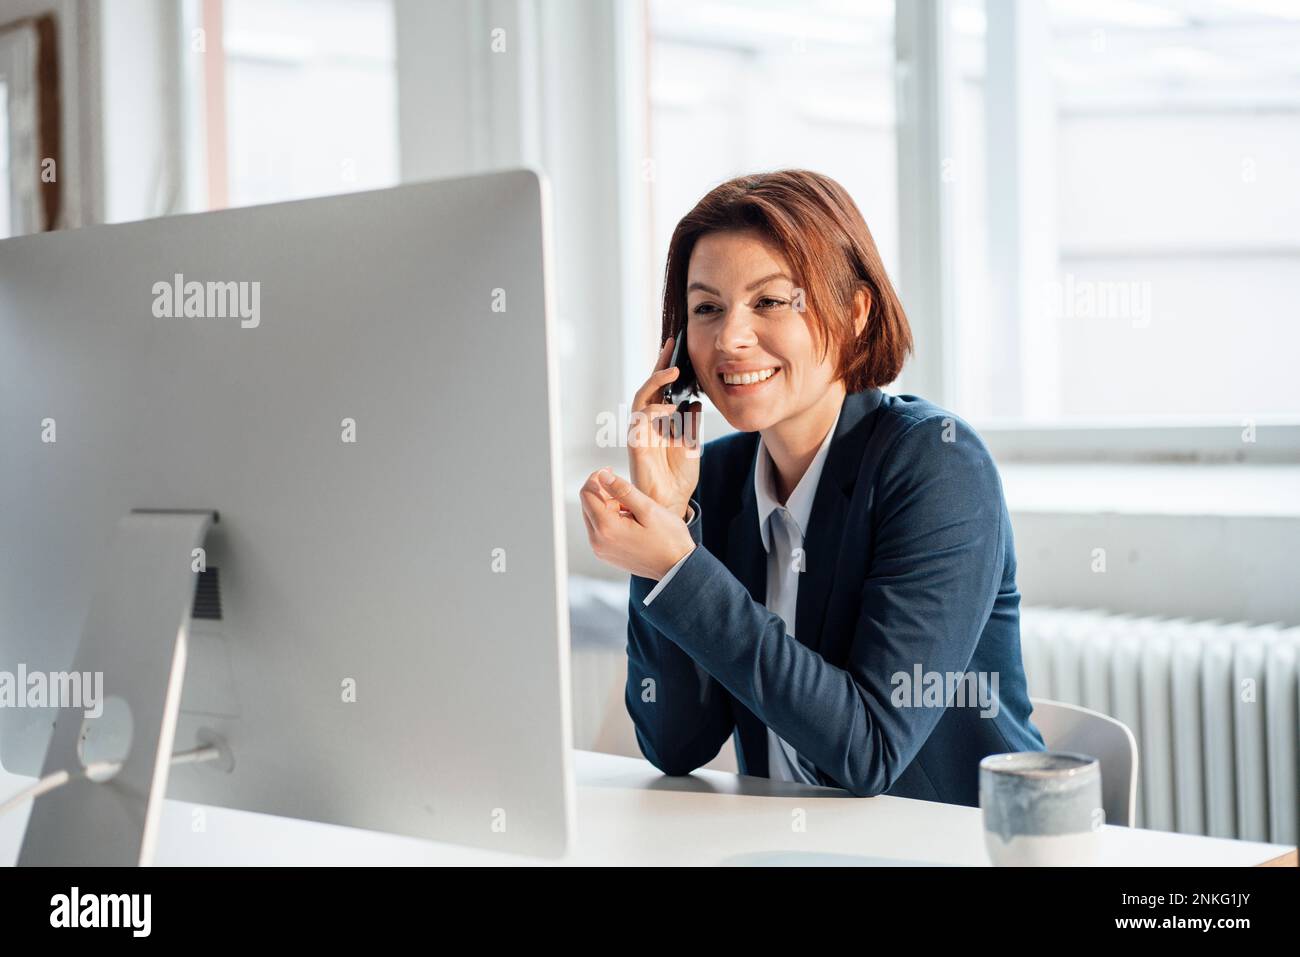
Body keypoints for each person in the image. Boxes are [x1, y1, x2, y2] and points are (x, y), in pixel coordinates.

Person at [579, 169, 1044, 804]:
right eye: (707, 308)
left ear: (854, 312)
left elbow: (870, 752)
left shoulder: (937, 466)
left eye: (770, 302)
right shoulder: (711, 480)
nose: (731, 338)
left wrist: (678, 568)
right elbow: (675, 745)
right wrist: (666, 520)